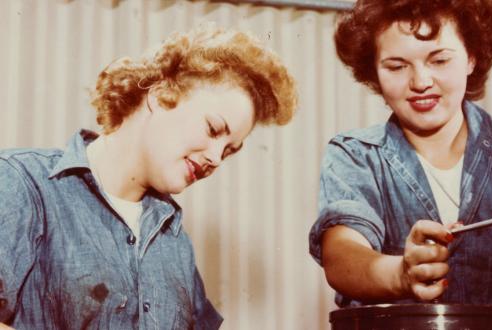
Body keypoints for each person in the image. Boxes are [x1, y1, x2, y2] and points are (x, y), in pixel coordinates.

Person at [0, 25, 297, 329]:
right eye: (212, 129)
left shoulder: (175, 242)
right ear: (160, 96)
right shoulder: (21, 183)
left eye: (229, 150)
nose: (216, 158)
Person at [309, 0, 492, 307]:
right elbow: (342, 255)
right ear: (374, 73)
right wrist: (400, 274)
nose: (421, 82)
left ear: (471, 59)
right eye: (397, 66)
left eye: (439, 61)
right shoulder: (355, 155)